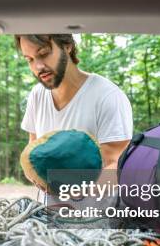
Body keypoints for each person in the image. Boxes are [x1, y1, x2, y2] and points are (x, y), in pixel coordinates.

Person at [17, 34, 133, 171]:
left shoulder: (107, 96)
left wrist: (72, 190)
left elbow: (117, 166)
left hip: (96, 192)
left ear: (67, 46)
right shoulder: (37, 95)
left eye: (44, 53)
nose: (38, 66)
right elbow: (33, 151)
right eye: (29, 59)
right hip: (49, 192)